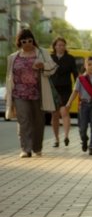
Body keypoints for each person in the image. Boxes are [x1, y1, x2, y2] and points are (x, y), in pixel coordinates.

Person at [5, 29, 57, 158]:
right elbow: (9, 76)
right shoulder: (13, 57)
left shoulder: (42, 53)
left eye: (30, 40)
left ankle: (37, 147)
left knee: (38, 121)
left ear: (33, 40)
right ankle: (25, 149)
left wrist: (42, 66)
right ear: (19, 42)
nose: (27, 43)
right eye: (24, 41)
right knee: (24, 121)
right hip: (19, 94)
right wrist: (8, 93)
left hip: (38, 93)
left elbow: (52, 68)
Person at [65, 57, 92, 156]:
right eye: (89, 64)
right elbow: (75, 92)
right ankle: (84, 139)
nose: (91, 66)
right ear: (85, 66)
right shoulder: (80, 79)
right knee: (82, 128)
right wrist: (69, 103)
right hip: (83, 105)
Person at [50, 37, 78, 148]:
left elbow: (75, 73)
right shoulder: (50, 58)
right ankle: (56, 139)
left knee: (64, 112)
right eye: (59, 45)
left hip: (66, 89)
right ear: (55, 46)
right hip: (53, 89)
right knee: (55, 114)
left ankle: (66, 136)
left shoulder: (70, 58)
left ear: (65, 47)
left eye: (63, 45)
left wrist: (78, 85)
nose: (61, 47)